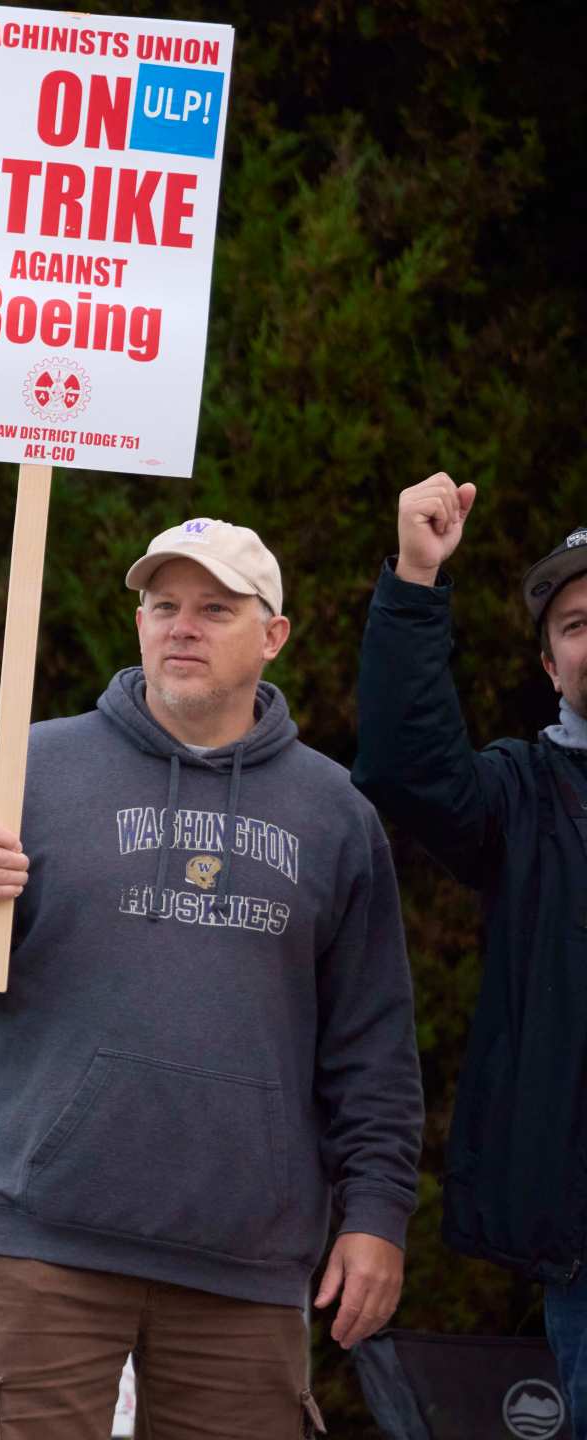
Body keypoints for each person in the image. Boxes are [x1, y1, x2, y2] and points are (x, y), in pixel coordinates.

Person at [0, 516, 424, 1438]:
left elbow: (373, 1048)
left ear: (273, 634)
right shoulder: (32, 771)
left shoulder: (333, 813)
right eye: (162, 605)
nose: (182, 626)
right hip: (46, 1246)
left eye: (215, 609)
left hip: (245, 1266)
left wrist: (376, 1214)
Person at [351, 474, 587, 1420]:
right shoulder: (525, 793)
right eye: (573, 624)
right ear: (550, 666)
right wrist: (415, 576)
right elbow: (409, 767)